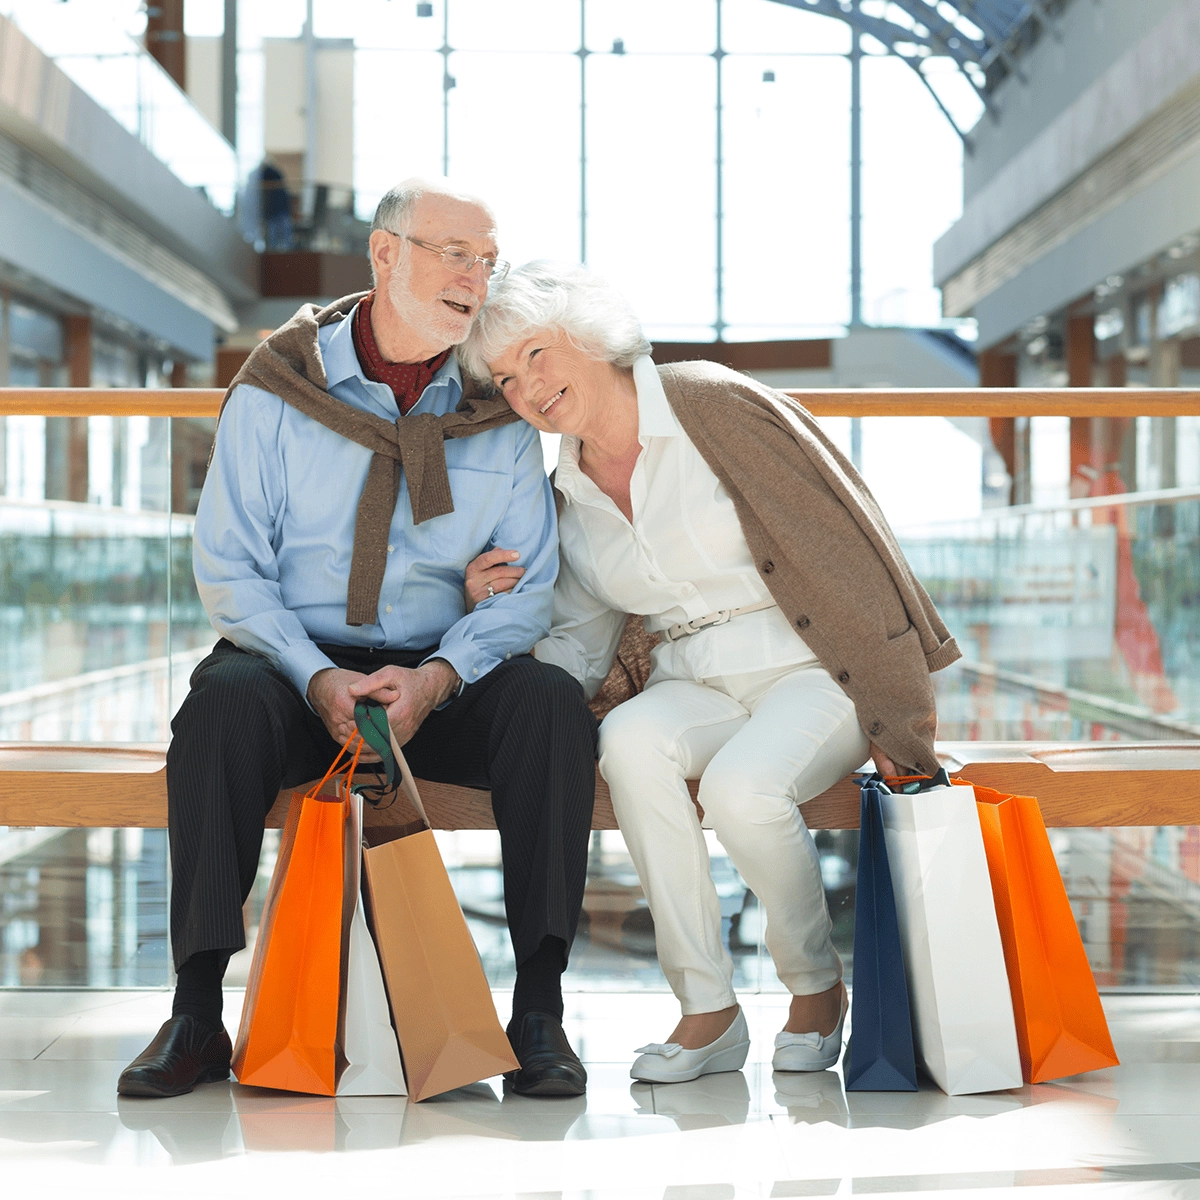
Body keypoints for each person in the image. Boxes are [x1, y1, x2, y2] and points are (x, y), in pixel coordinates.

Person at [117, 183, 596, 1102]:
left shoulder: (498, 407)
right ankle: (195, 1011)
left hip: (439, 668)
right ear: (385, 255)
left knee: (547, 707)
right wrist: (316, 674)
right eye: (455, 252)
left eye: (487, 261)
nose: (475, 277)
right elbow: (228, 569)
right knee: (219, 707)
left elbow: (527, 587)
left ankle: (539, 1010)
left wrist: (442, 677)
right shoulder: (276, 385)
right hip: (292, 659)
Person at [458, 262, 960, 1085]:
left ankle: (813, 984)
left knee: (741, 789)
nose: (527, 389)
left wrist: (905, 720)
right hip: (693, 675)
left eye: (537, 356)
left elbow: (850, 548)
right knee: (629, 739)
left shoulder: (710, 404)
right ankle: (709, 1010)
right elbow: (577, 648)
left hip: (813, 666)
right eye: (506, 379)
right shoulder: (570, 492)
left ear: (590, 335)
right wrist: (484, 618)